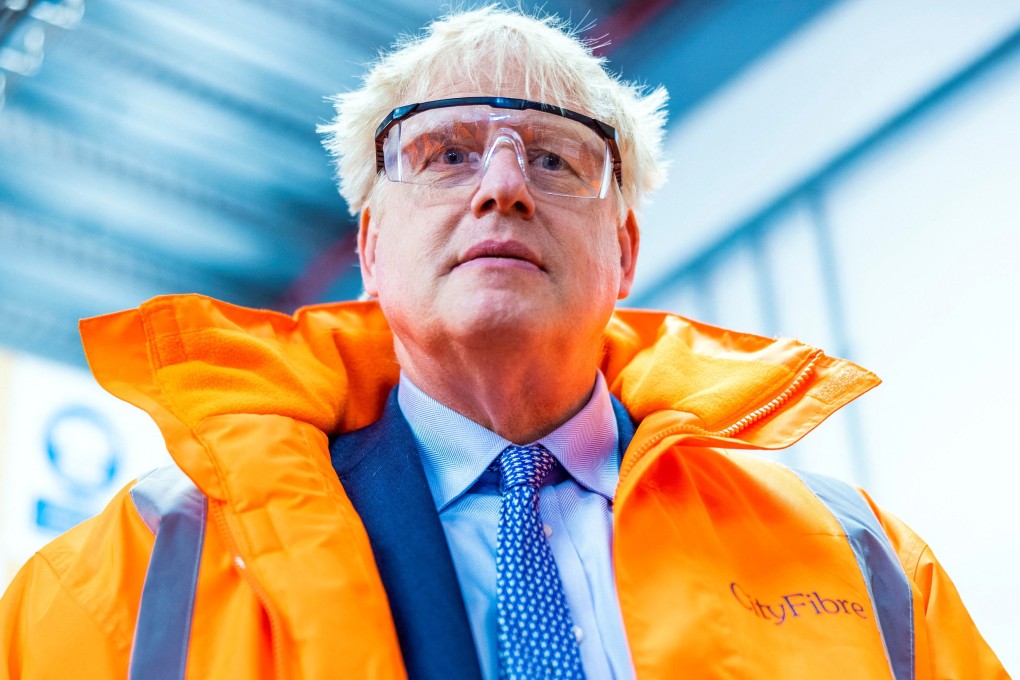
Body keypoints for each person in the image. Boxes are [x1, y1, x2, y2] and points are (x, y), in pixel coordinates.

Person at [0, 6, 1007, 679]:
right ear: (370, 245)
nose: (503, 185)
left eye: (560, 158)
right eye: (444, 153)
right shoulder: (125, 586)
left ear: (621, 249)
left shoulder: (865, 562)